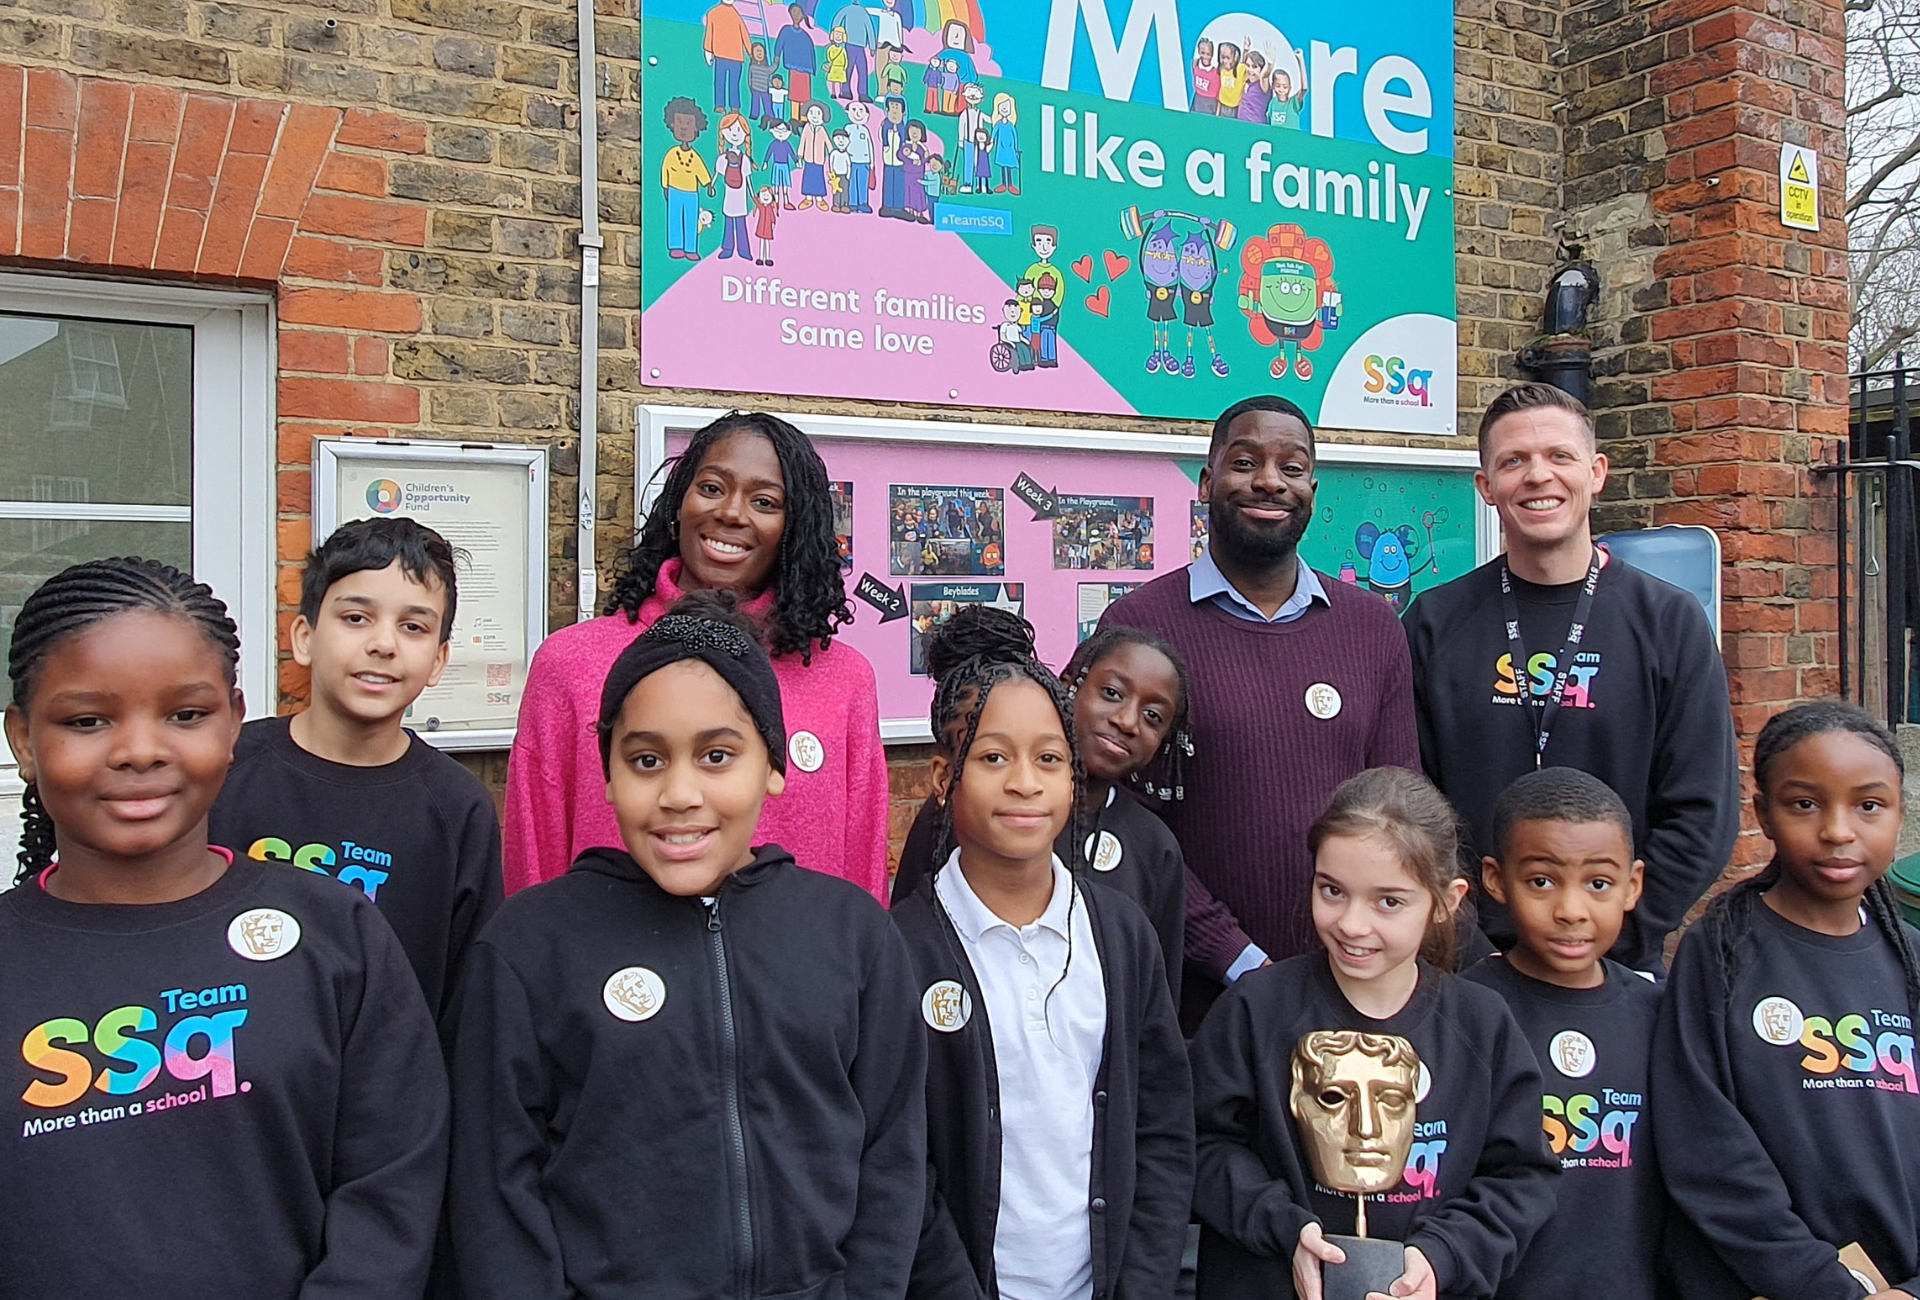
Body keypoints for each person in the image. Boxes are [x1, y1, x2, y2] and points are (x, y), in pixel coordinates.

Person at [451, 593, 925, 1300]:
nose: (679, 793)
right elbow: (497, 1188)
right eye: (645, 760)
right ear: (606, 775)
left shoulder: (854, 937)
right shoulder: (528, 950)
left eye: (716, 756)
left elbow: (893, 1155)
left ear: (773, 765)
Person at [0, 558, 447, 1296]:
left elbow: (393, 1183)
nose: (141, 750)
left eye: (185, 715)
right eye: (87, 720)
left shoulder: (337, 936)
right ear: (23, 738)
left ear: (236, 720)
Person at [892, 616, 1193, 1300]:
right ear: (945, 777)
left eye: (1049, 759)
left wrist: (1140, 1283)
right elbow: (901, 1160)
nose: (1025, 783)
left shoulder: (1120, 936)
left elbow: (1164, 1126)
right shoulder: (903, 953)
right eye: (994, 758)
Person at [1403, 381, 1739, 974]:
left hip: (1618, 969)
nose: (1538, 476)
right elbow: (1414, 802)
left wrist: (1610, 933)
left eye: (1559, 456)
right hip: (1467, 970)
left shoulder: (1669, 621)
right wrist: (1469, 940)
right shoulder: (1434, 621)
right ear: (1486, 487)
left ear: (1597, 471)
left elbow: (1702, 810)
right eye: (1514, 461)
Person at [1102, 396, 1419, 1022]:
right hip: (1193, 999)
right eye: (1245, 462)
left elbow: (1399, 808)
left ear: (1312, 489)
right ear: (1207, 481)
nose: (1270, 480)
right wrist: (1235, 956)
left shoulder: (1373, 629)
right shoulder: (1138, 630)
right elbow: (1117, 820)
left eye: (1292, 467)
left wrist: (1370, 941)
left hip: (1351, 982)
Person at [1190, 767, 1558, 1300]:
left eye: (1389, 901)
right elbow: (1201, 1145)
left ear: (1446, 901)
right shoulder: (1256, 1010)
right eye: (1332, 890)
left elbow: (1521, 1177)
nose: (1353, 924)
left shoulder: (1482, 1025)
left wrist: (1444, 1256)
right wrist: (1282, 1227)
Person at [504, 411, 890, 900]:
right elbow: (534, 858)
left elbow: (862, 871)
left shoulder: (844, 679)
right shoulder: (572, 664)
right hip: (612, 969)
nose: (731, 512)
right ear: (677, 505)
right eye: (711, 488)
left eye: (765, 501)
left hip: (799, 970)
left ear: (795, 530)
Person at [1654, 701, 1920, 1300]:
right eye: (1805, 804)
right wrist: (1823, 1284)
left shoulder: (1911, 960)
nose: (1838, 830)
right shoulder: (1719, 951)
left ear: (1900, 816)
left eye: (1869, 805)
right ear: (1764, 815)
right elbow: (1704, 1147)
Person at [209, 516, 501, 1024]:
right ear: (304, 637)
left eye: (413, 627)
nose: (384, 644)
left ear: (438, 660)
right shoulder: (224, 766)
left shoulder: (457, 808)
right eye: (356, 618)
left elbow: (468, 997)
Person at [892, 612, 1195, 1002]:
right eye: (1112, 694)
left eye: (1153, 716)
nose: (1126, 721)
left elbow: (1157, 1001)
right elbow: (905, 947)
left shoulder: (1154, 847)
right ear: (1069, 687)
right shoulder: (969, 810)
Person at [1462, 767, 1665, 1300]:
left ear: (1632, 885)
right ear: (1495, 878)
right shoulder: (1464, 1014)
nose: (1571, 911)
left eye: (1598, 883)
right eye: (1541, 881)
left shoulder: (1658, 1014)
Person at [661, 96, 714, 261]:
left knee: (691, 220)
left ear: (696, 128)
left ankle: (691, 248)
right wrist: (665, 187)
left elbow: (702, 172)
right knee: (674, 218)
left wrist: (708, 185)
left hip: (692, 192)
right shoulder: (671, 154)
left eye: (688, 124)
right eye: (680, 123)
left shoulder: (694, 156)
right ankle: (676, 246)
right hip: (675, 190)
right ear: (672, 125)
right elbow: (665, 171)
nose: (684, 128)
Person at [703, 0, 750, 111]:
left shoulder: (735, 15)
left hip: (736, 56)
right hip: (720, 54)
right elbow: (709, 32)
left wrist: (751, 51)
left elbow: (744, 34)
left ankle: (735, 106)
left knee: (734, 83)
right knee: (720, 81)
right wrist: (708, 50)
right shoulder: (713, 13)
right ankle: (720, 105)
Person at [1191, 37, 1220, 115]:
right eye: (1202, 53)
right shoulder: (1195, 65)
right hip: (1198, 100)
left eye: (1208, 54)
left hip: (1210, 103)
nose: (1205, 56)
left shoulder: (1216, 71)